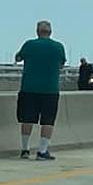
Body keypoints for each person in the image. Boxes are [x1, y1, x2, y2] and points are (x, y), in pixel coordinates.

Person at [14, 20, 66, 160]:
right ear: (51, 32)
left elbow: (18, 58)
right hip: (50, 90)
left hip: (29, 89)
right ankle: (42, 151)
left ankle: (25, 150)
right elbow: (61, 64)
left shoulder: (29, 45)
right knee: (48, 121)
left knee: (27, 119)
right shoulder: (58, 47)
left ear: (37, 31)